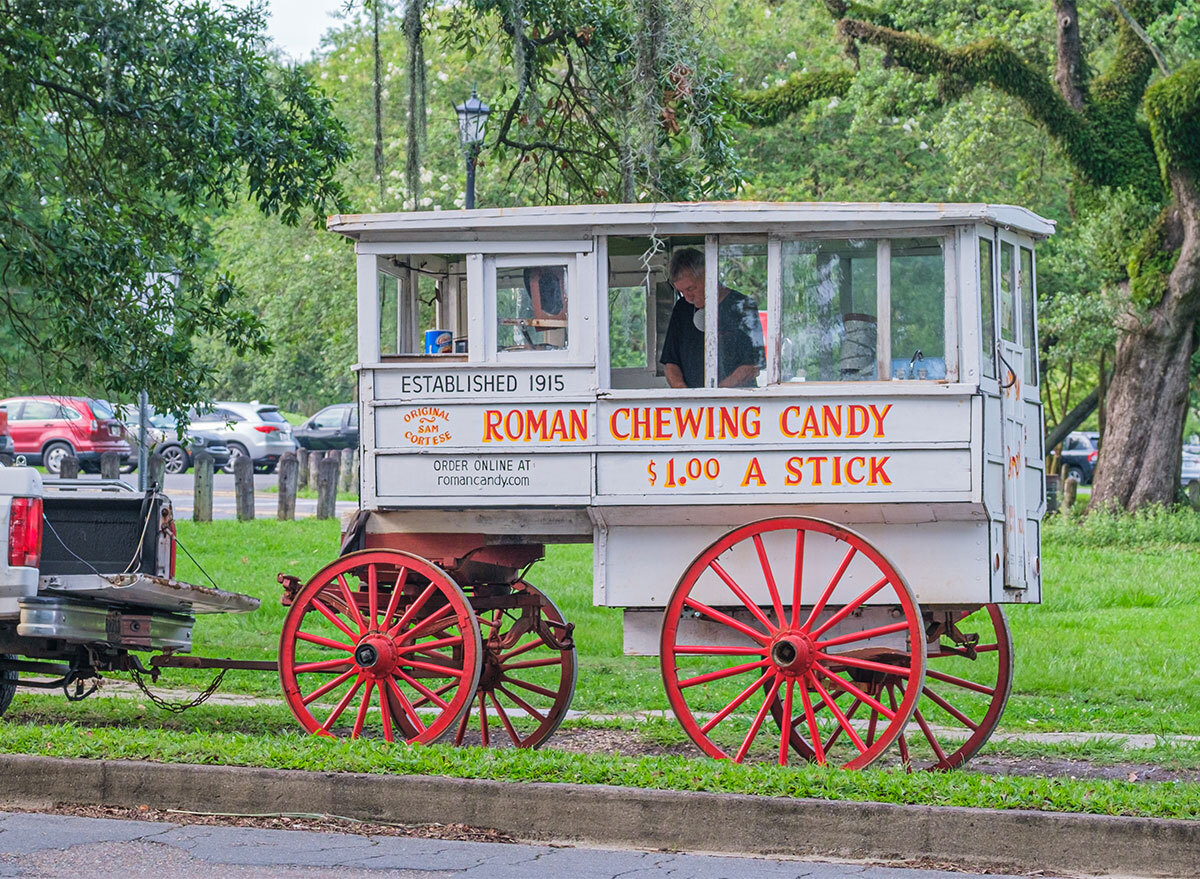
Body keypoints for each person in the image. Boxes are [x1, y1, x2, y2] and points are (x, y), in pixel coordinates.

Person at [659, 248, 764, 388]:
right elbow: (671, 364)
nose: (688, 297)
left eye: (691, 289)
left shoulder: (742, 306)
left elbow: (751, 366)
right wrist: (685, 396)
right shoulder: (682, 308)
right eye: (681, 292)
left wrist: (714, 397)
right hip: (693, 407)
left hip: (736, 403)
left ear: (708, 277)